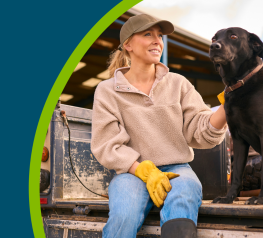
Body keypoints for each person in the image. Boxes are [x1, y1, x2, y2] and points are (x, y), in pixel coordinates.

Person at [91, 14, 227, 238]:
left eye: (160, 36)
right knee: (124, 214)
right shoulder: (107, 90)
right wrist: (142, 170)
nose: (157, 41)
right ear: (128, 45)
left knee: (184, 200)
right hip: (132, 172)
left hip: (178, 169)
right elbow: (106, 144)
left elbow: (200, 131)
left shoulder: (178, 83)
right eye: (148, 34)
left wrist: (228, 105)